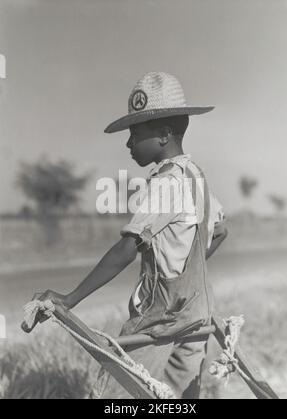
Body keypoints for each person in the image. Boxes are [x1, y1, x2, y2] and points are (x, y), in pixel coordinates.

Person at [32, 72, 227, 399]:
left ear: (164, 134)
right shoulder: (194, 175)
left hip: (160, 322)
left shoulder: (166, 183)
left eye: (135, 133)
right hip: (196, 317)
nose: (128, 143)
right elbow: (220, 230)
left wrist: (69, 299)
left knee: (113, 395)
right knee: (178, 401)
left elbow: (127, 247)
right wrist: (184, 272)